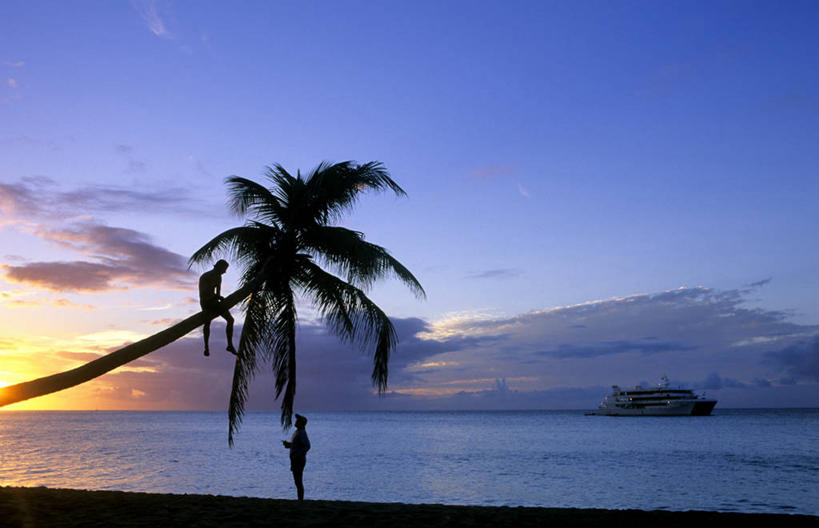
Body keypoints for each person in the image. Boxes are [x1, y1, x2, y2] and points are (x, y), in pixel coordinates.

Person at [198, 259, 237, 357]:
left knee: (230, 320)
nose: (225, 272)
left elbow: (218, 293)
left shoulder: (219, 277)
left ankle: (230, 345)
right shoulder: (206, 276)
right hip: (206, 302)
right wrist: (216, 298)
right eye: (224, 269)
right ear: (219, 267)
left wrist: (219, 297)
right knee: (207, 323)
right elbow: (204, 294)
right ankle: (206, 347)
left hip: (214, 301)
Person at [282, 413, 310, 500]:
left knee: (298, 480)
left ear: (301, 423)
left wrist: (298, 454)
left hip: (298, 460)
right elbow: (296, 445)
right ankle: (300, 498)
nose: (296, 421)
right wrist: (288, 445)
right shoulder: (297, 432)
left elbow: (307, 446)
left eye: (297, 420)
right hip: (295, 460)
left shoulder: (302, 433)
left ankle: (300, 499)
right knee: (297, 480)